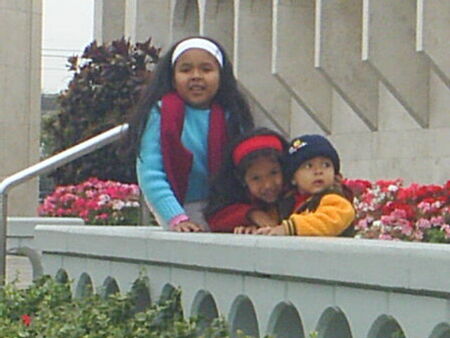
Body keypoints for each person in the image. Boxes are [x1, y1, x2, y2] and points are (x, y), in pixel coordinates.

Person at [124, 36, 254, 232]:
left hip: (225, 211)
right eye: (186, 70)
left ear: (221, 75)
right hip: (177, 211)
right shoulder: (159, 114)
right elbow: (151, 173)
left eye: (206, 69)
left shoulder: (234, 116)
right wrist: (176, 218)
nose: (196, 76)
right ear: (172, 77)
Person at [257, 134, 355, 236]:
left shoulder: (335, 200)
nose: (318, 171)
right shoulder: (287, 202)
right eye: (309, 166)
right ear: (293, 178)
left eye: (326, 165)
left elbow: (327, 222)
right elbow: (271, 224)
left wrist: (290, 228)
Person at [204, 127, 290, 233]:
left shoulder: (298, 193)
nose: (268, 185)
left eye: (273, 173)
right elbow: (216, 219)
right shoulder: (237, 200)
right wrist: (252, 215)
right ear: (242, 180)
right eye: (256, 178)